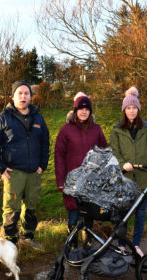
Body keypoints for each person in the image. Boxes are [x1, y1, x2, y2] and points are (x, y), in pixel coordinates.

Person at [0, 81, 49, 250]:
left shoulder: (38, 118)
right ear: (13, 96)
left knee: (31, 205)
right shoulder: (3, 119)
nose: (23, 96)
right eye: (19, 93)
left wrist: (42, 165)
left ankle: (28, 237)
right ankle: (10, 242)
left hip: (34, 171)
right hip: (13, 172)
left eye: (26, 93)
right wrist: (0, 168)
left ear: (31, 96)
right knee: (11, 208)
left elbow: (45, 143)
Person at [109, 87, 147, 256]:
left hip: (143, 178)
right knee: (123, 213)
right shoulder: (117, 130)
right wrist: (122, 164)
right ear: (124, 110)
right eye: (128, 108)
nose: (131, 111)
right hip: (125, 178)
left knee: (140, 213)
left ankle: (136, 244)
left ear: (138, 109)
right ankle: (122, 244)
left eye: (134, 108)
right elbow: (114, 152)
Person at [54, 93, 108, 244]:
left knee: (89, 212)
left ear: (90, 111)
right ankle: (72, 243)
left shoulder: (96, 129)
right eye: (80, 109)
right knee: (73, 213)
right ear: (75, 111)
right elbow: (58, 156)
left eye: (87, 109)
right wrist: (60, 181)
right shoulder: (66, 130)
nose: (84, 112)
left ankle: (88, 242)